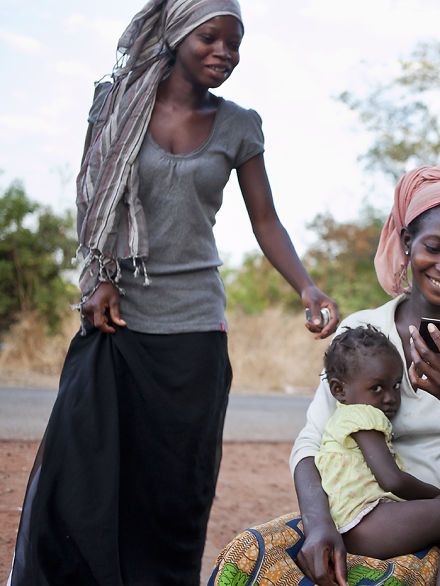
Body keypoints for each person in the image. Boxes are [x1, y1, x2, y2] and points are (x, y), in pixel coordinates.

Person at [9, 1, 338, 584]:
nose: (224, 53)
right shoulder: (116, 104)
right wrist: (100, 278)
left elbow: (265, 219)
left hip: (193, 332)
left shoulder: (239, 123)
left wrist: (306, 286)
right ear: (177, 34)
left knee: (173, 491)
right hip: (115, 320)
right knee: (81, 478)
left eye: (234, 44)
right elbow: (92, 195)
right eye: (210, 38)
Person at [290, 165, 440, 586]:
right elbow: (311, 443)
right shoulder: (362, 333)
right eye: (434, 247)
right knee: (248, 554)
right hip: (364, 513)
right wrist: (318, 524)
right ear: (406, 242)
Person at [316, 324, 440, 586]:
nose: (390, 397)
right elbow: (393, 481)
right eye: (377, 388)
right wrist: (439, 496)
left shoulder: (350, 417)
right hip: (361, 524)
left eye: (396, 385)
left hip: (370, 518)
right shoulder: (362, 415)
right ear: (339, 390)